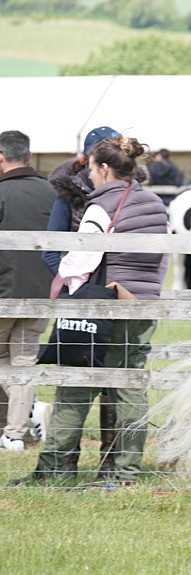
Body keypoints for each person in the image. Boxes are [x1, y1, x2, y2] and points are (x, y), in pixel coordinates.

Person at [12, 136, 169, 487]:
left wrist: (62, 284)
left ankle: (52, 469)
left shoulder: (99, 208)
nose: (90, 176)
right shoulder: (156, 203)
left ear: (103, 168)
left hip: (104, 304)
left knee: (75, 384)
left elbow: (79, 262)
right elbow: (164, 256)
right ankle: (126, 472)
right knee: (130, 388)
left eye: (93, 169)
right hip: (142, 304)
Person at [40, 125, 122, 471]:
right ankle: (65, 459)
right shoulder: (68, 196)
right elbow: (51, 248)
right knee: (74, 373)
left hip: (116, 296)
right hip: (81, 293)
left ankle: (109, 459)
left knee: (115, 380)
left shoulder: (129, 194)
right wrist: (74, 284)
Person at [0, 131, 56, 453]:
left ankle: (28, 417)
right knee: (22, 361)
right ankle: (16, 434)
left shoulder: (1, 193)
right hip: (41, 293)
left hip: (5, 292)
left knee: (12, 362)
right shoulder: (50, 193)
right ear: (29, 156)